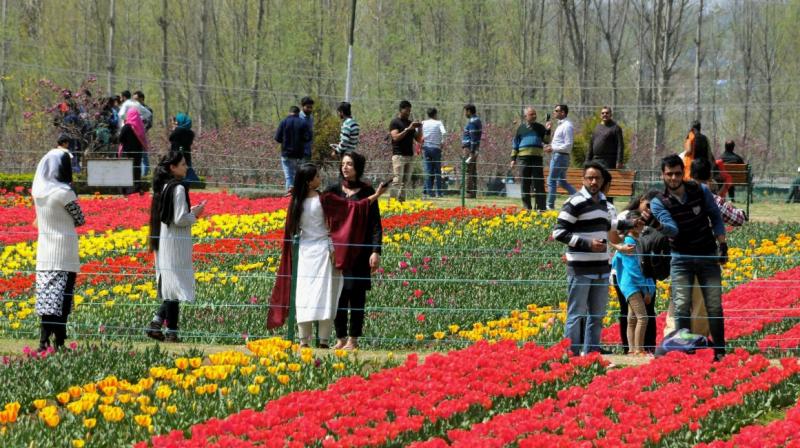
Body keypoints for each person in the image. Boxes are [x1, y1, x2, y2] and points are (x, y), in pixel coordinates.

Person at [268, 164, 389, 348]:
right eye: (317, 176)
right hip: (324, 250)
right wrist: (377, 195)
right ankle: (323, 340)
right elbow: (353, 208)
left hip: (305, 252)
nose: (320, 178)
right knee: (326, 294)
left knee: (304, 294)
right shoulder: (324, 199)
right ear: (310, 182)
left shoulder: (296, 202)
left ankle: (304, 340)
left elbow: (292, 230)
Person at [552, 161, 638, 356]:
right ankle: (571, 355)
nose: (593, 181)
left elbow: (607, 223)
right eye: (590, 177)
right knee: (576, 315)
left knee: (597, 316)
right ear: (583, 179)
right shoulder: (574, 202)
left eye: (597, 178)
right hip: (580, 269)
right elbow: (558, 232)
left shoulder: (602, 202)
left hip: (601, 268)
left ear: (602, 181)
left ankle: (591, 354)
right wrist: (587, 244)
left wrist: (630, 223)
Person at [649, 154, 728, 360]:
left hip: (707, 254)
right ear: (662, 175)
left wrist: (723, 244)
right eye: (669, 174)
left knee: (714, 305)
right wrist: (657, 226)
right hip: (681, 258)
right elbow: (673, 230)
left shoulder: (700, 190)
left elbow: (715, 216)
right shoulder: (659, 202)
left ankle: (720, 353)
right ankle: (686, 353)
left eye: (677, 173)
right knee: (682, 306)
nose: (674, 178)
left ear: (683, 172)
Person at [145, 151, 206, 342]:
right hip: (176, 242)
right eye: (183, 164)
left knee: (173, 286)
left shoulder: (165, 187)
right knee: (175, 287)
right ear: (172, 167)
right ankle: (171, 332)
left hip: (166, 240)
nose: (186, 167)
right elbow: (179, 218)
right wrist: (196, 214)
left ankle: (158, 324)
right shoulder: (178, 188)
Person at [324, 152, 383, 350]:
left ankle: (353, 339)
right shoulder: (333, 190)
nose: (345, 168)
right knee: (338, 294)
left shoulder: (367, 191)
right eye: (343, 164)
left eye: (349, 164)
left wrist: (376, 251)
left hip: (360, 251)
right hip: (337, 252)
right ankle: (340, 337)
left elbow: (375, 224)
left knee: (356, 295)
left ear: (358, 167)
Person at [33, 137, 85, 352]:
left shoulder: (38, 193)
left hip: (45, 252)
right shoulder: (64, 193)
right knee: (63, 300)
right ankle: (60, 342)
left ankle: (43, 342)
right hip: (64, 252)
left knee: (47, 299)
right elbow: (80, 219)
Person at [614, 191, 661, 354]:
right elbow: (635, 270)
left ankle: (632, 349)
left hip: (634, 284)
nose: (640, 226)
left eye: (641, 224)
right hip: (632, 285)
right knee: (642, 317)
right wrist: (646, 289)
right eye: (636, 225)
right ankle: (639, 349)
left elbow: (646, 266)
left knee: (632, 318)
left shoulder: (638, 240)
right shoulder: (629, 243)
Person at [510, 106, 549, 211]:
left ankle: (541, 208)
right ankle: (527, 208)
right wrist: (513, 159)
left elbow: (547, 140)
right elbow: (515, 144)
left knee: (539, 183)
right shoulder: (520, 129)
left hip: (537, 159)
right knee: (525, 183)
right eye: (531, 114)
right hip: (524, 159)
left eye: (535, 114)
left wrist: (548, 130)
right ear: (525, 116)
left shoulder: (540, 127)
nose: (534, 116)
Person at [545, 104, 577, 210]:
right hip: (560, 156)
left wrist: (553, 148)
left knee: (551, 180)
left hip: (560, 157)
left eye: (556, 110)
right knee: (561, 181)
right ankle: (578, 197)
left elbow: (568, 145)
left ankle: (550, 206)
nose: (554, 112)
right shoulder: (561, 125)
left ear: (563, 112)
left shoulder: (567, 125)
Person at [389, 100, 422, 202]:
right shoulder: (395, 122)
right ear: (401, 110)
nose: (408, 112)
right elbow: (395, 137)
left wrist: (420, 128)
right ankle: (392, 202)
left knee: (406, 181)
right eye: (406, 110)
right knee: (397, 180)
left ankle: (401, 202)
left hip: (409, 156)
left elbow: (419, 139)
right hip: (399, 156)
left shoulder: (409, 123)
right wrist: (408, 129)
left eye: (409, 111)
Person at [274, 106, 312, 192]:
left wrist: (285, 141)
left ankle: (289, 197)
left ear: (289, 112)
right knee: (298, 177)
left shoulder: (283, 122)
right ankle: (298, 197)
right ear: (298, 113)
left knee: (289, 176)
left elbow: (277, 138)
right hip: (299, 155)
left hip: (286, 154)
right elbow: (308, 138)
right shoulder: (303, 123)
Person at [117, 108, 149, 194]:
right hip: (138, 153)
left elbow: (120, 139)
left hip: (127, 153)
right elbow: (143, 139)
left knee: (127, 171)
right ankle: (137, 188)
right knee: (136, 170)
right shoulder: (140, 126)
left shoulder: (127, 127)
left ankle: (127, 190)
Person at [421, 107, 447, 198]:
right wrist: (442, 142)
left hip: (426, 148)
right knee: (437, 171)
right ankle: (439, 192)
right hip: (436, 148)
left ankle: (428, 192)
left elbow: (418, 133)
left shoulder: (423, 123)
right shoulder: (439, 123)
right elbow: (444, 132)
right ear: (435, 114)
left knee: (428, 171)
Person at [169, 113, 199, 183]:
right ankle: (192, 179)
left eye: (177, 121)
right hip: (187, 154)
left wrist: (174, 129)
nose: (176, 122)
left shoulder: (177, 131)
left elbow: (171, 138)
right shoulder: (191, 133)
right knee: (188, 167)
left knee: (176, 169)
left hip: (177, 154)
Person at [461, 104, 482, 199]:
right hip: (472, 148)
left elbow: (473, 137)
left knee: (468, 170)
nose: (465, 113)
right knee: (473, 170)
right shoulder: (476, 120)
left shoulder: (473, 122)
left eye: (465, 111)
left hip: (469, 148)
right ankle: (473, 192)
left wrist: (472, 151)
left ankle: (469, 193)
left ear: (469, 111)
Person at [300, 96, 315, 161]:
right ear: (302, 106)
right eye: (307, 107)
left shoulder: (311, 117)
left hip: (308, 150)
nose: (310, 109)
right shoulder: (298, 117)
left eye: (311, 107)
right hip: (299, 151)